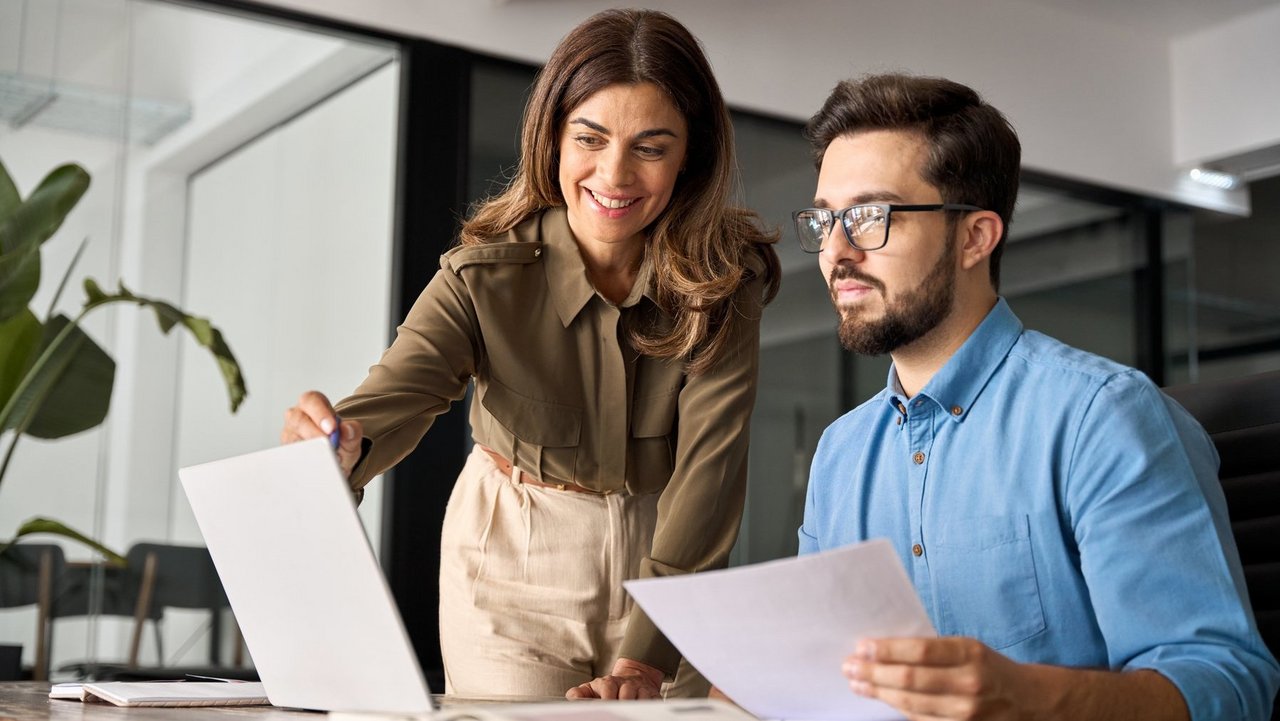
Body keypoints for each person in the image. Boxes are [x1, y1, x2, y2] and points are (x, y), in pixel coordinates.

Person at [280, 8, 779, 701]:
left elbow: (711, 471)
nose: (615, 172)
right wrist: (336, 444)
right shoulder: (483, 275)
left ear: (689, 154)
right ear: (552, 138)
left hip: (672, 556)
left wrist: (645, 658)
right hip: (515, 559)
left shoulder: (726, 278)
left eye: (651, 146)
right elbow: (396, 396)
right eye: (591, 137)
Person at [793, 73, 1278, 720]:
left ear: (975, 237)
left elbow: (1229, 682)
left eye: (869, 216)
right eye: (826, 219)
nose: (837, 250)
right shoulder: (840, 453)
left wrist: (1032, 698)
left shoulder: (1103, 416)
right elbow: (818, 669)